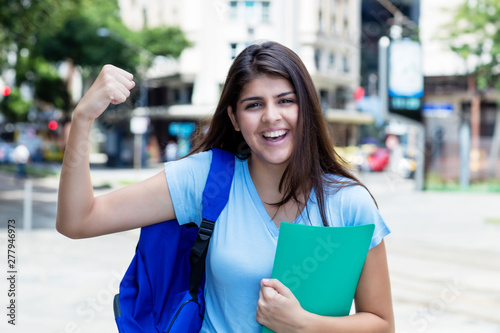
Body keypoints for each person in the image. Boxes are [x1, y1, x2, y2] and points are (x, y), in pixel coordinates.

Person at [57, 41, 394, 332]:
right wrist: (83, 118)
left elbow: (381, 323)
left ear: (306, 108)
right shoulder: (206, 180)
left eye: (286, 101)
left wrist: (304, 325)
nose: (271, 116)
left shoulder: (349, 203)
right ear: (234, 118)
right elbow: (78, 220)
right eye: (254, 105)